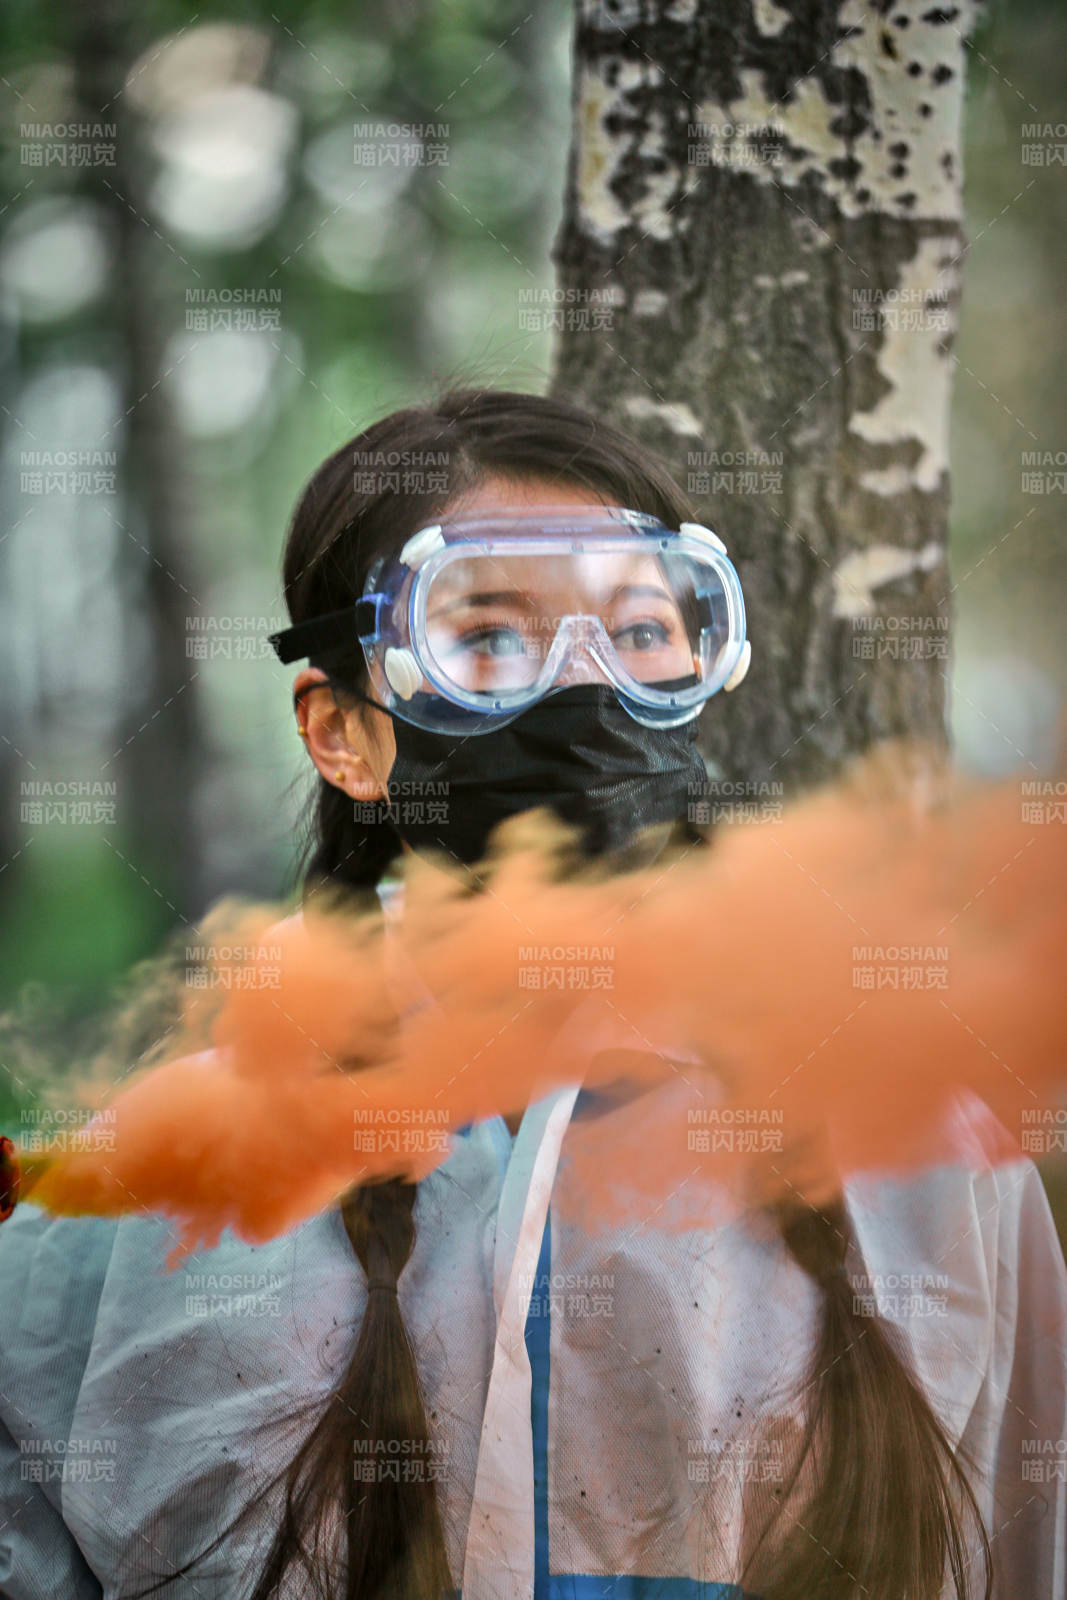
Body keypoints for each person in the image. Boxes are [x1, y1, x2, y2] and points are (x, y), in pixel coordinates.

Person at [0, 387, 1064, 1600]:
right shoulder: (134, 1203)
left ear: (704, 671)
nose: (582, 686)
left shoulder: (925, 1164)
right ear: (343, 731)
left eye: (642, 629)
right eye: (492, 638)